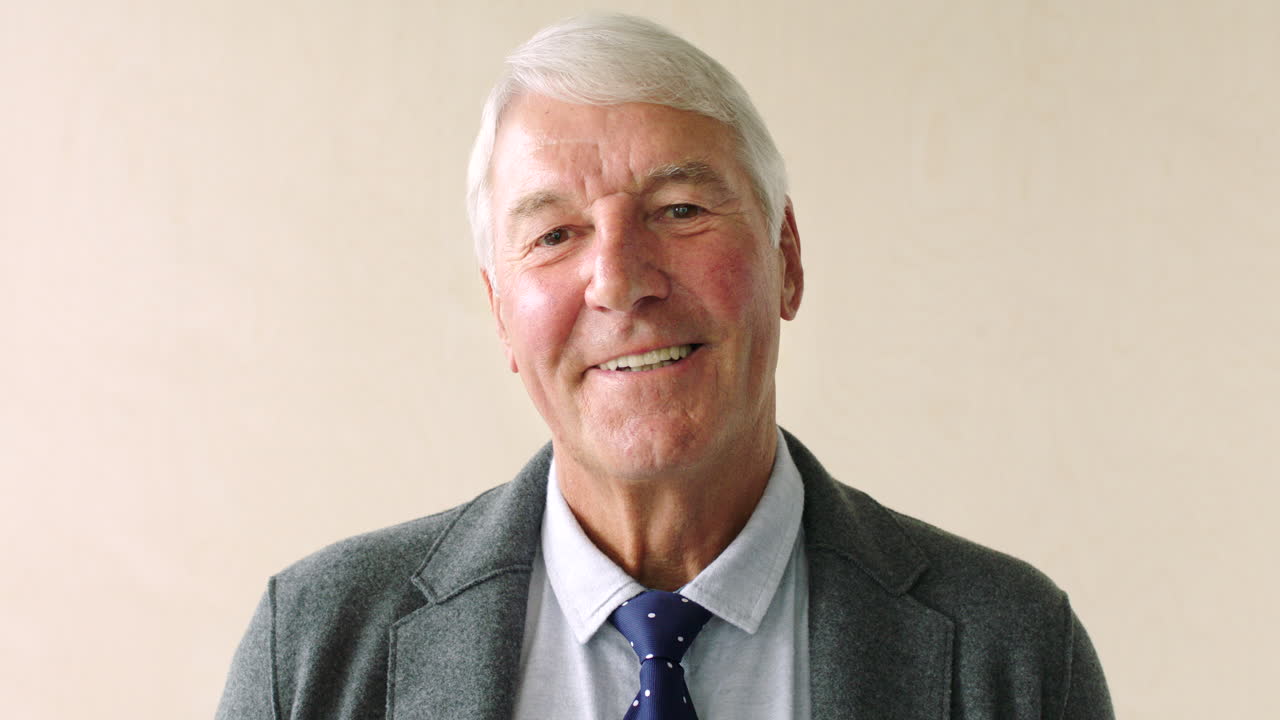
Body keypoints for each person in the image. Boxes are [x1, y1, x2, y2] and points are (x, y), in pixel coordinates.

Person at [216, 14, 1112, 720]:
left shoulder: (1015, 653)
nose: (619, 280)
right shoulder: (314, 649)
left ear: (787, 257)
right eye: (556, 233)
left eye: (680, 210)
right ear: (500, 312)